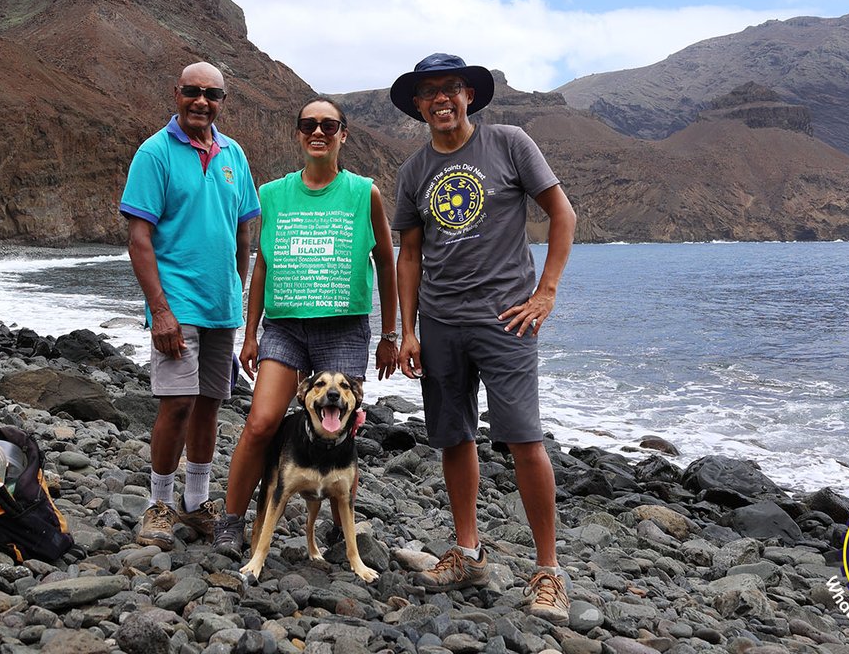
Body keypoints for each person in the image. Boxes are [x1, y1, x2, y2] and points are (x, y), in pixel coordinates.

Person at [390, 53, 577, 623]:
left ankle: (547, 572)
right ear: (418, 105)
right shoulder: (415, 170)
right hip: (441, 322)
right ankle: (469, 552)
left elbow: (562, 216)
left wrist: (545, 293)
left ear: (469, 95)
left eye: (452, 88)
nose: (442, 99)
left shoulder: (510, 143)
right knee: (453, 438)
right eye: (430, 92)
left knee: (524, 441)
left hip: (506, 319)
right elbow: (411, 254)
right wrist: (408, 331)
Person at [212, 96, 399, 557]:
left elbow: (387, 261)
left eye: (328, 125)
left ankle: (340, 533)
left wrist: (392, 333)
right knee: (260, 423)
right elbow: (262, 267)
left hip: (343, 327)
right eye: (308, 124)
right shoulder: (273, 194)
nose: (318, 131)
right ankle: (231, 523)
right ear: (298, 133)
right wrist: (250, 332)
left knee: (343, 426)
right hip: (286, 328)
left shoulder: (364, 192)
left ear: (343, 134)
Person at [119, 61, 260, 551]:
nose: (202, 101)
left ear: (223, 101)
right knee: (176, 404)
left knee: (209, 406)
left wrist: (237, 292)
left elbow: (244, 230)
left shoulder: (233, 154)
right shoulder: (154, 153)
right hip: (176, 304)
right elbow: (139, 237)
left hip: (221, 305)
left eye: (213, 94)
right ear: (176, 93)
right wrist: (159, 310)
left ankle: (196, 502)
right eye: (193, 92)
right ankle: (158, 504)